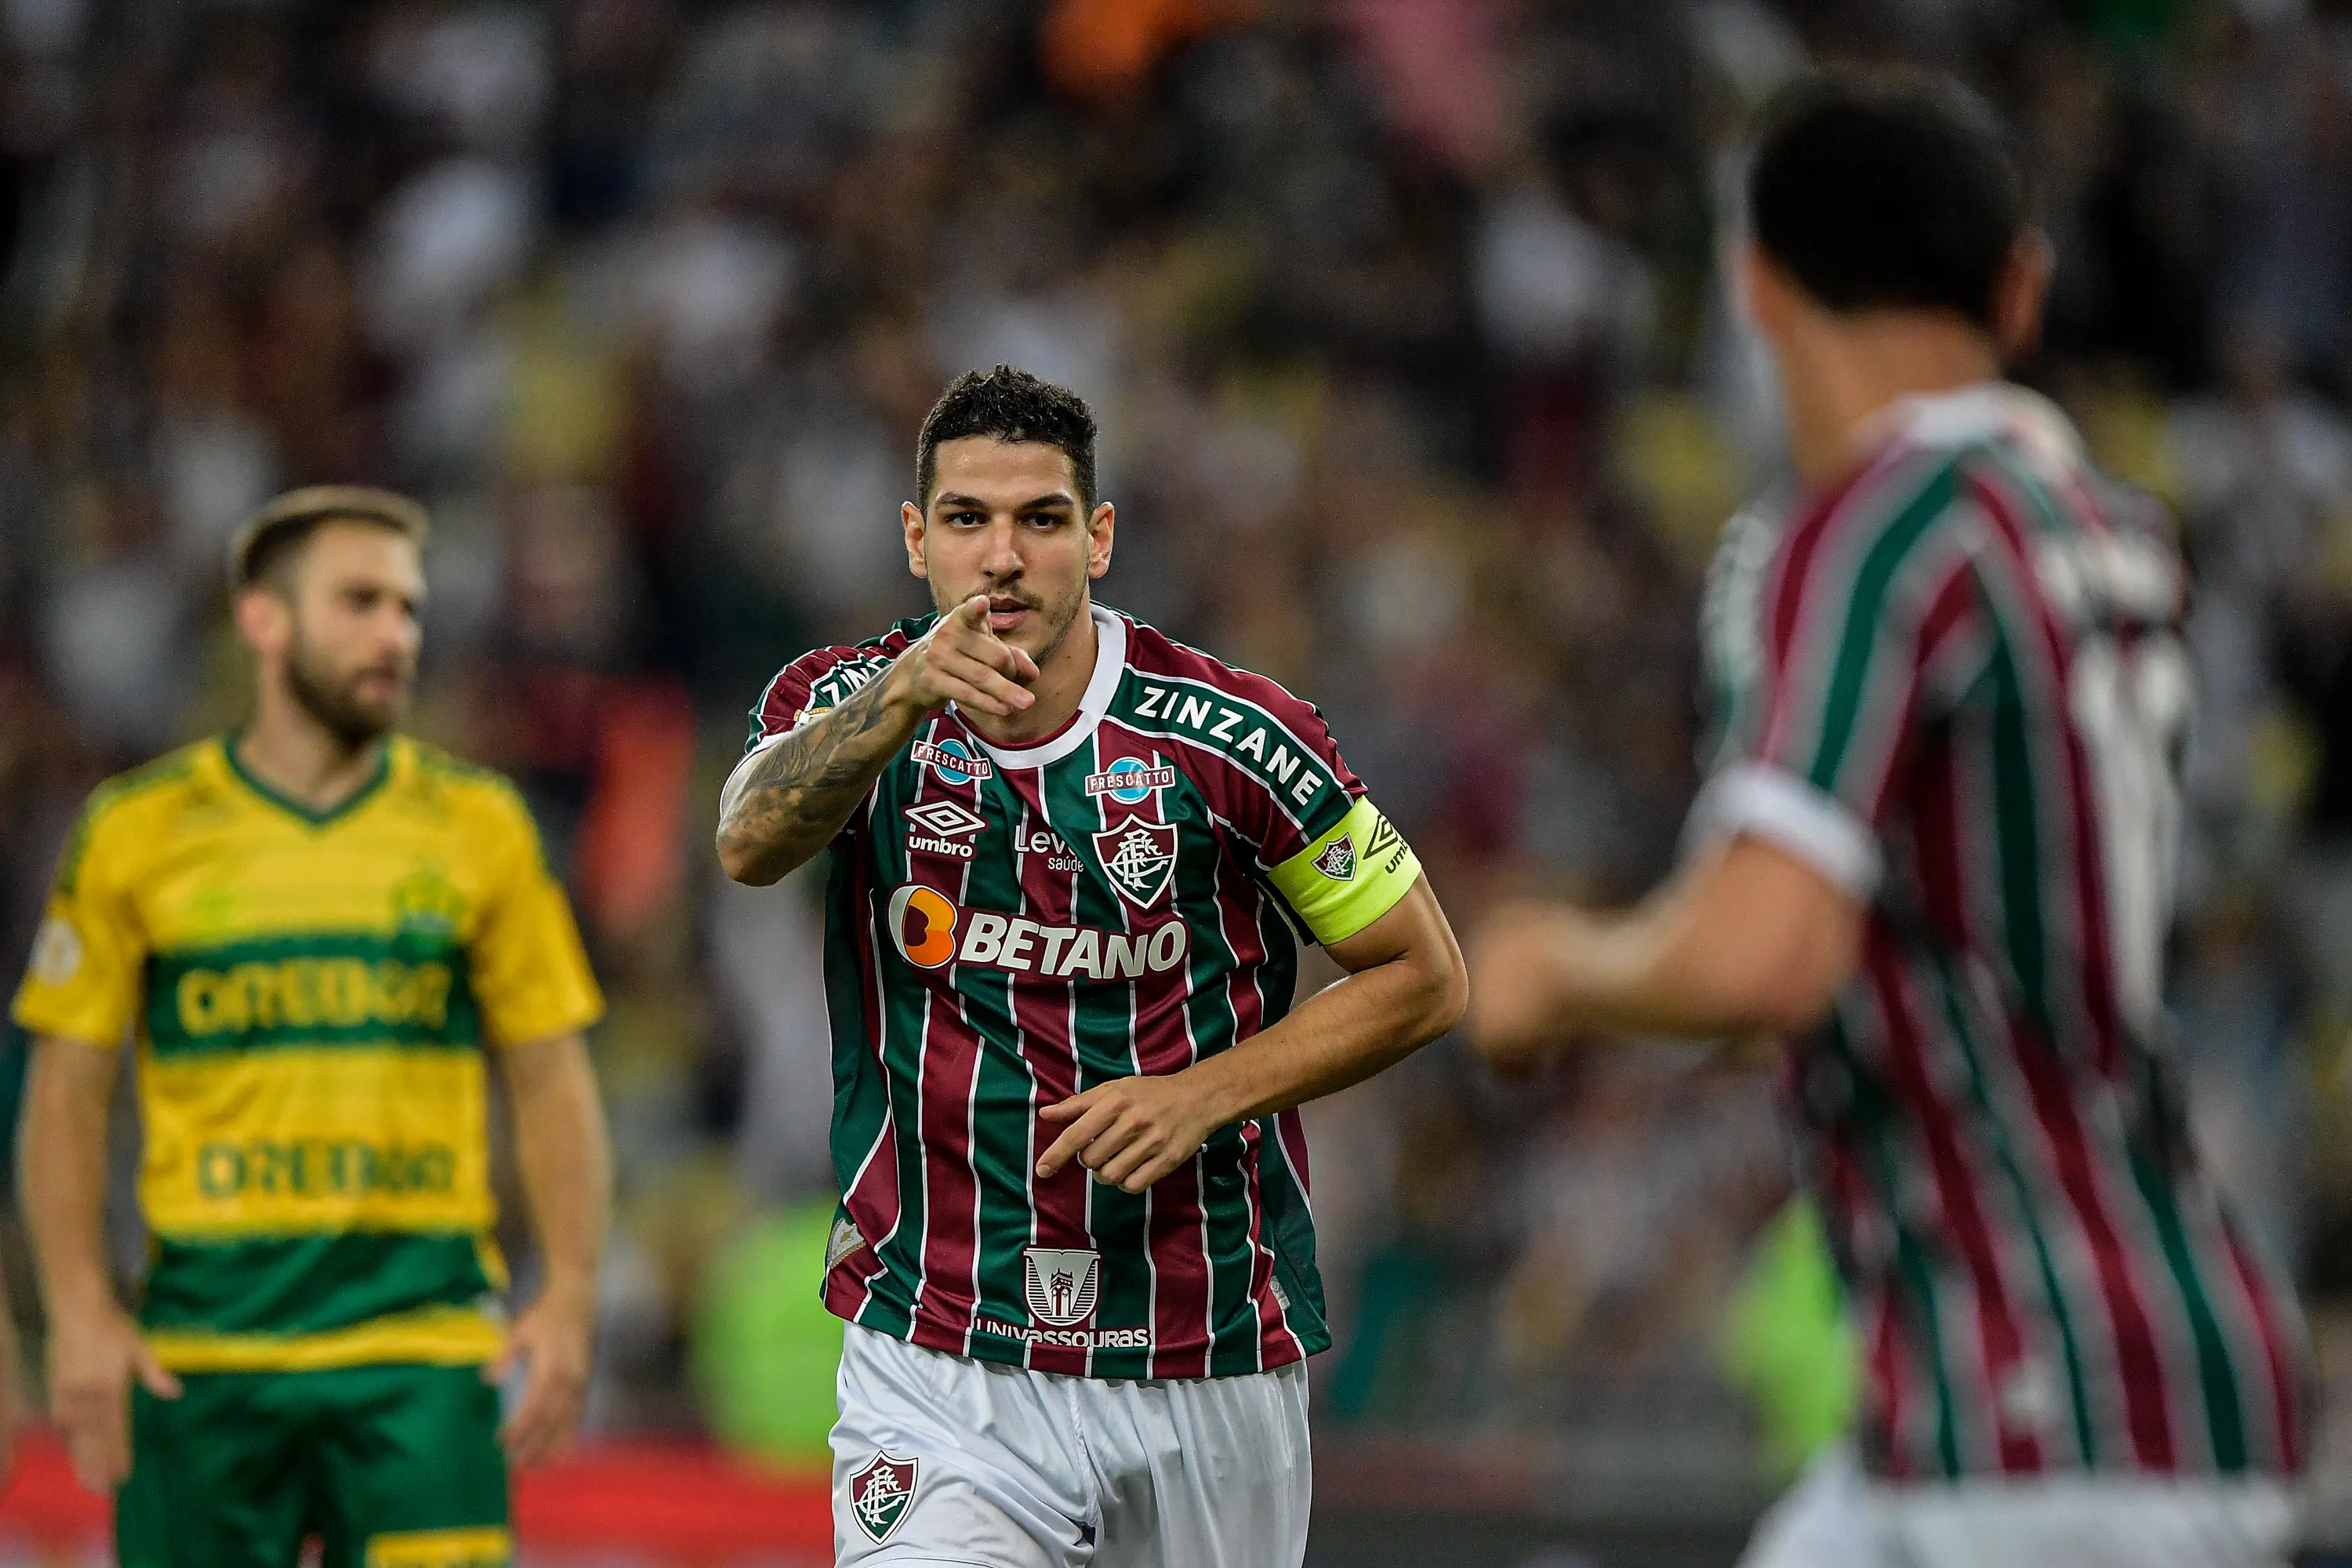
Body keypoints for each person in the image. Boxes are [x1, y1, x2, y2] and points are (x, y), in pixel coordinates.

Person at [1466, 73, 2308, 1568]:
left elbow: (1764, 960)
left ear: (1755, 283)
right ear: (2022, 286)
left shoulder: (1869, 531)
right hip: (2129, 1366)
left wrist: (1557, 970)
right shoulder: (2104, 527)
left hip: (2037, 1403)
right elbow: (1860, 949)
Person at [717, 365, 1468, 1567]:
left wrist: (1203, 1093)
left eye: (1041, 519)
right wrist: (907, 693)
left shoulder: (1233, 736)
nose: (1001, 556)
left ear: (1100, 538)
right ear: (916, 540)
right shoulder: (845, 705)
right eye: (966, 519)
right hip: (941, 1355)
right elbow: (748, 841)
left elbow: (1424, 974)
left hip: (1201, 1348)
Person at [13, 486, 612, 1567]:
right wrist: (79, 1310)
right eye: (359, 603)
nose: (395, 634)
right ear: (264, 619)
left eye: (408, 608)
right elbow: (64, 1090)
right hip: (203, 1353)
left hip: (423, 1351)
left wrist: (568, 1296)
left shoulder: (479, 826)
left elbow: (552, 1078)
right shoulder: (134, 832)